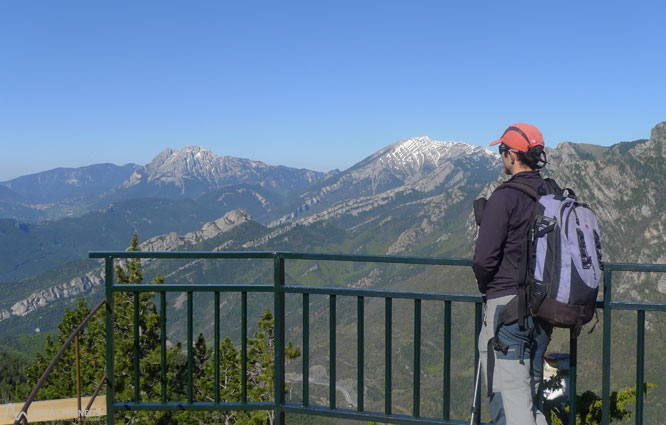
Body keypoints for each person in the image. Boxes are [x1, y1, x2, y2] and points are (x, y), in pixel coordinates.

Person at [472, 123, 553, 425]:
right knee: (529, 399)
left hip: (507, 311)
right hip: (545, 308)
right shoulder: (550, 192)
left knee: (508, 401)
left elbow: (484, 259)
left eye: (502, 151)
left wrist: (483, 283)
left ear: (513, 155)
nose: (501, 156)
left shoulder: (504, 197)